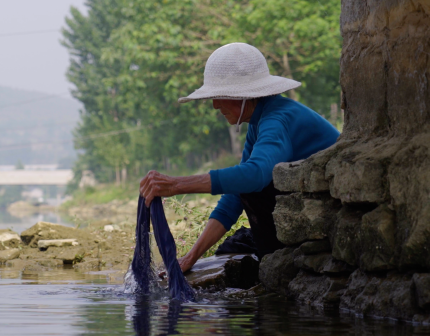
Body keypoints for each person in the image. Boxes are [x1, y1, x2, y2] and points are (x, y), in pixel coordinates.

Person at [139, 42, 340, 273]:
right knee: (230, 249)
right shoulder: (260, 120)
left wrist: (176, 184)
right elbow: (234, 198)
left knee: (251, 186)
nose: (214, 105)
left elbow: (253, 177)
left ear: (244, 95)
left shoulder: (277, 118)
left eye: (220, 96)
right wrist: (190, 257)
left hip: (327, 217)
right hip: (303, 210)